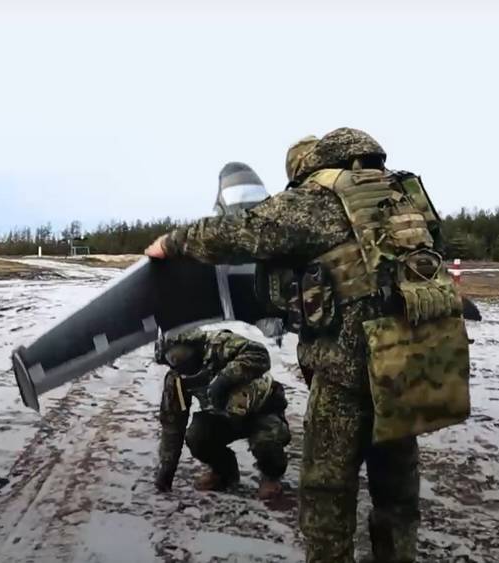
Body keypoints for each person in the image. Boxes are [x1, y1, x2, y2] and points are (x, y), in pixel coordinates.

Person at [145, 128, 471, 563]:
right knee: (396, 492)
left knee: (326, 492)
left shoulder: (319, 197)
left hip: (348, 371)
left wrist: (172, 243)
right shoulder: (402, 195)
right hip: (410, 364)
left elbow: (241, 231)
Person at [153, 328, 291, 500]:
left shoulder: (219, 344)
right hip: (223, 416)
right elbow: (172, 424)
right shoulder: (177, 379)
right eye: (171, 359)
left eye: (179, 355)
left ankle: (271, 475)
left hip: (261, 409)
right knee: (196, 436)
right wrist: (167, 468)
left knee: (267, 441)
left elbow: (259, 354)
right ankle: (224, 473)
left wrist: (225, 379)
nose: (177, 361)